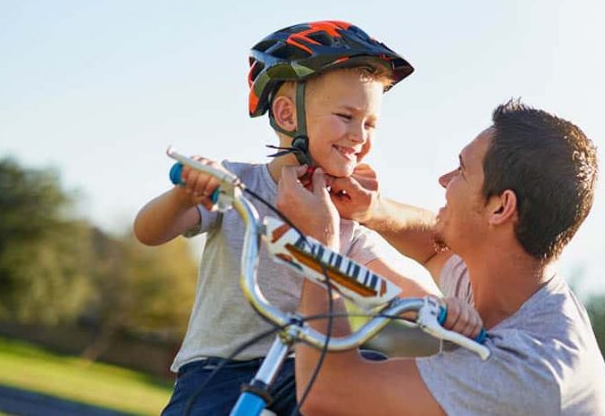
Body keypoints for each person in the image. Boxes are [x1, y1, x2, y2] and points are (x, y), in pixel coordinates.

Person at [133, 21, 436, 415]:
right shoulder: (236, 184)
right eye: (346, 115)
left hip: (305, 368)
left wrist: (444, 310)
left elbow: (400, 286)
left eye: (370, 123)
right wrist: (182, 196)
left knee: (370, 384)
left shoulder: (345, 215)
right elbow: (148, 232)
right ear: (287, 114)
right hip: (219, 367)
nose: (360, 135)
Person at [277, 99, 605, 415]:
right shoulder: (510, 285)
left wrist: (319, 244)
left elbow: (327, 393)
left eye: (461, 170)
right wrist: (372, 210)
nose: (444, 180)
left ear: (500, 207)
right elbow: (434, 247)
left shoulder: (532, 367)